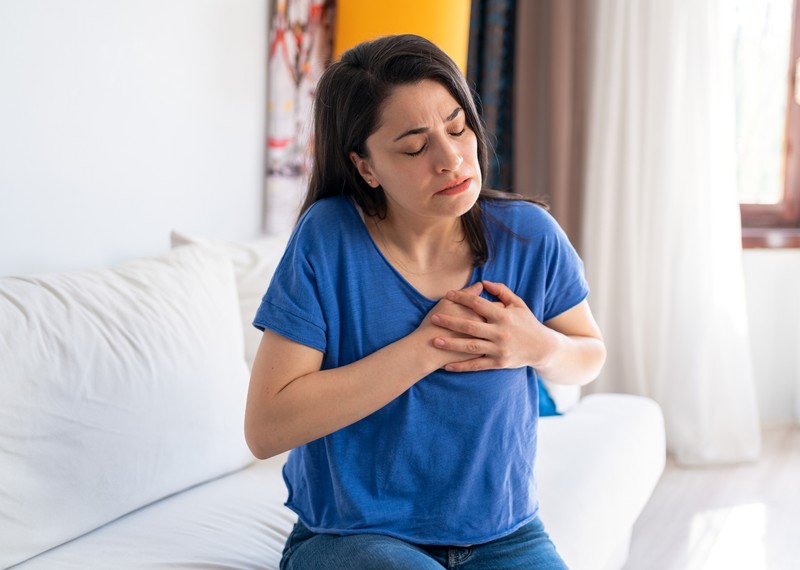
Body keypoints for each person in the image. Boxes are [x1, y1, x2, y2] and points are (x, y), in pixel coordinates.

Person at [245, 34, 606, 570]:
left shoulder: (529, 236)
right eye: (414, 147)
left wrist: (538, 346)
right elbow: (267, 425)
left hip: (504, 535)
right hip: (352, 537)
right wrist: (426, 348)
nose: (451, 158)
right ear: (366, 166)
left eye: (458, 127)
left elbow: (588, 355)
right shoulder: (330, 239)